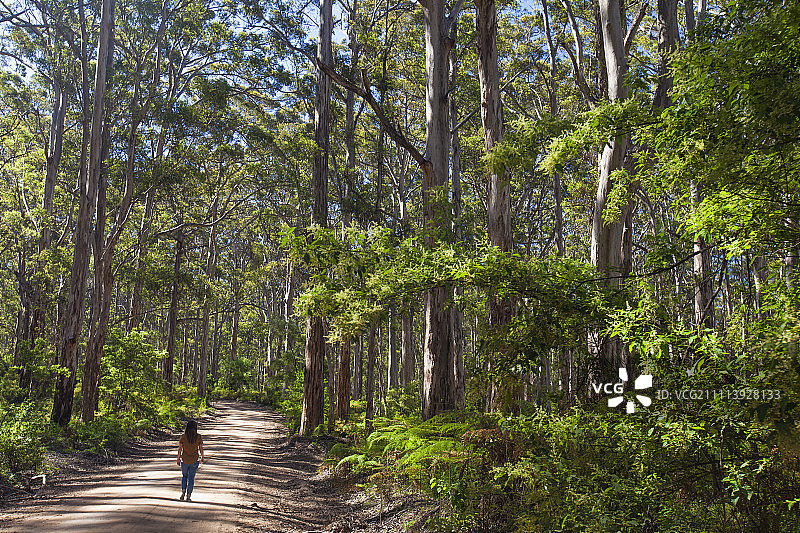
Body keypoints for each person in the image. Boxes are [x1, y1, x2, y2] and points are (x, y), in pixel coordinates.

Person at [176, 420, 204, 501]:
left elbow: (180, 449)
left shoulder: (183, 437)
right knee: (191, 477)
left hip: (184, 460)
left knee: (184, 476)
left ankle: (183, 492)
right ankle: (188, 495)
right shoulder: (198, 437)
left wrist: (178, 458)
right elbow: (201, 448)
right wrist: (202, 457)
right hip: (195, 460)